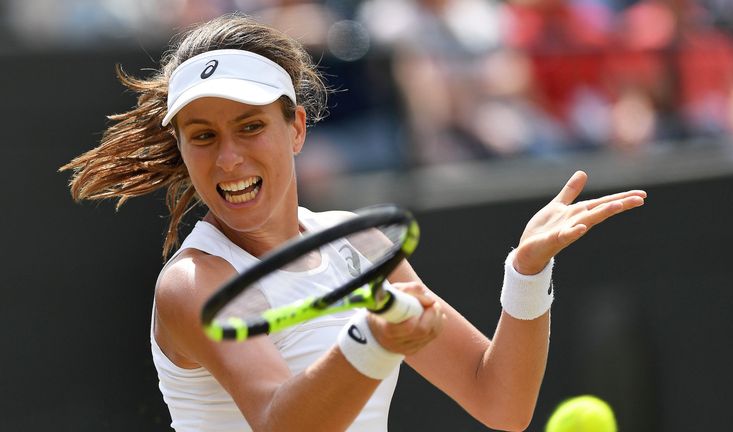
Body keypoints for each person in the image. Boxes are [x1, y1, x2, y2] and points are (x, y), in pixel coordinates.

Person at [61, 13, 646, 432]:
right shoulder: (194, 285)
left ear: (296, 129)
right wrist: (372, 340)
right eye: (204, 136)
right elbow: (280, 424)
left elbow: (500, 402)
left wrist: (526, 275)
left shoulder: (361, 246)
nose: (229, 159)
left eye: (250, 126)